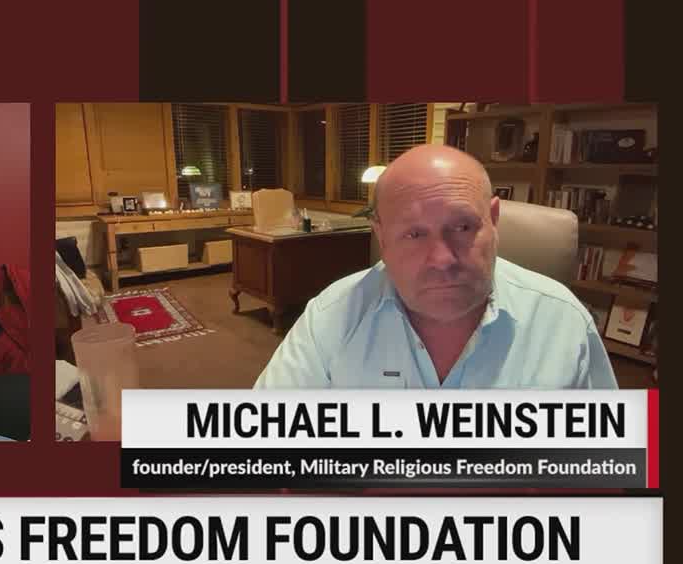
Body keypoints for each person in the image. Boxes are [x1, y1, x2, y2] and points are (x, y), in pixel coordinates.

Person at [254, 144, 616, 389]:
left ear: (493, 219)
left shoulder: (563, 320)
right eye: (414, 234)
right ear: (381, 235)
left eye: (462, 227)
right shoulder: (331, 317)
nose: (442, 258)